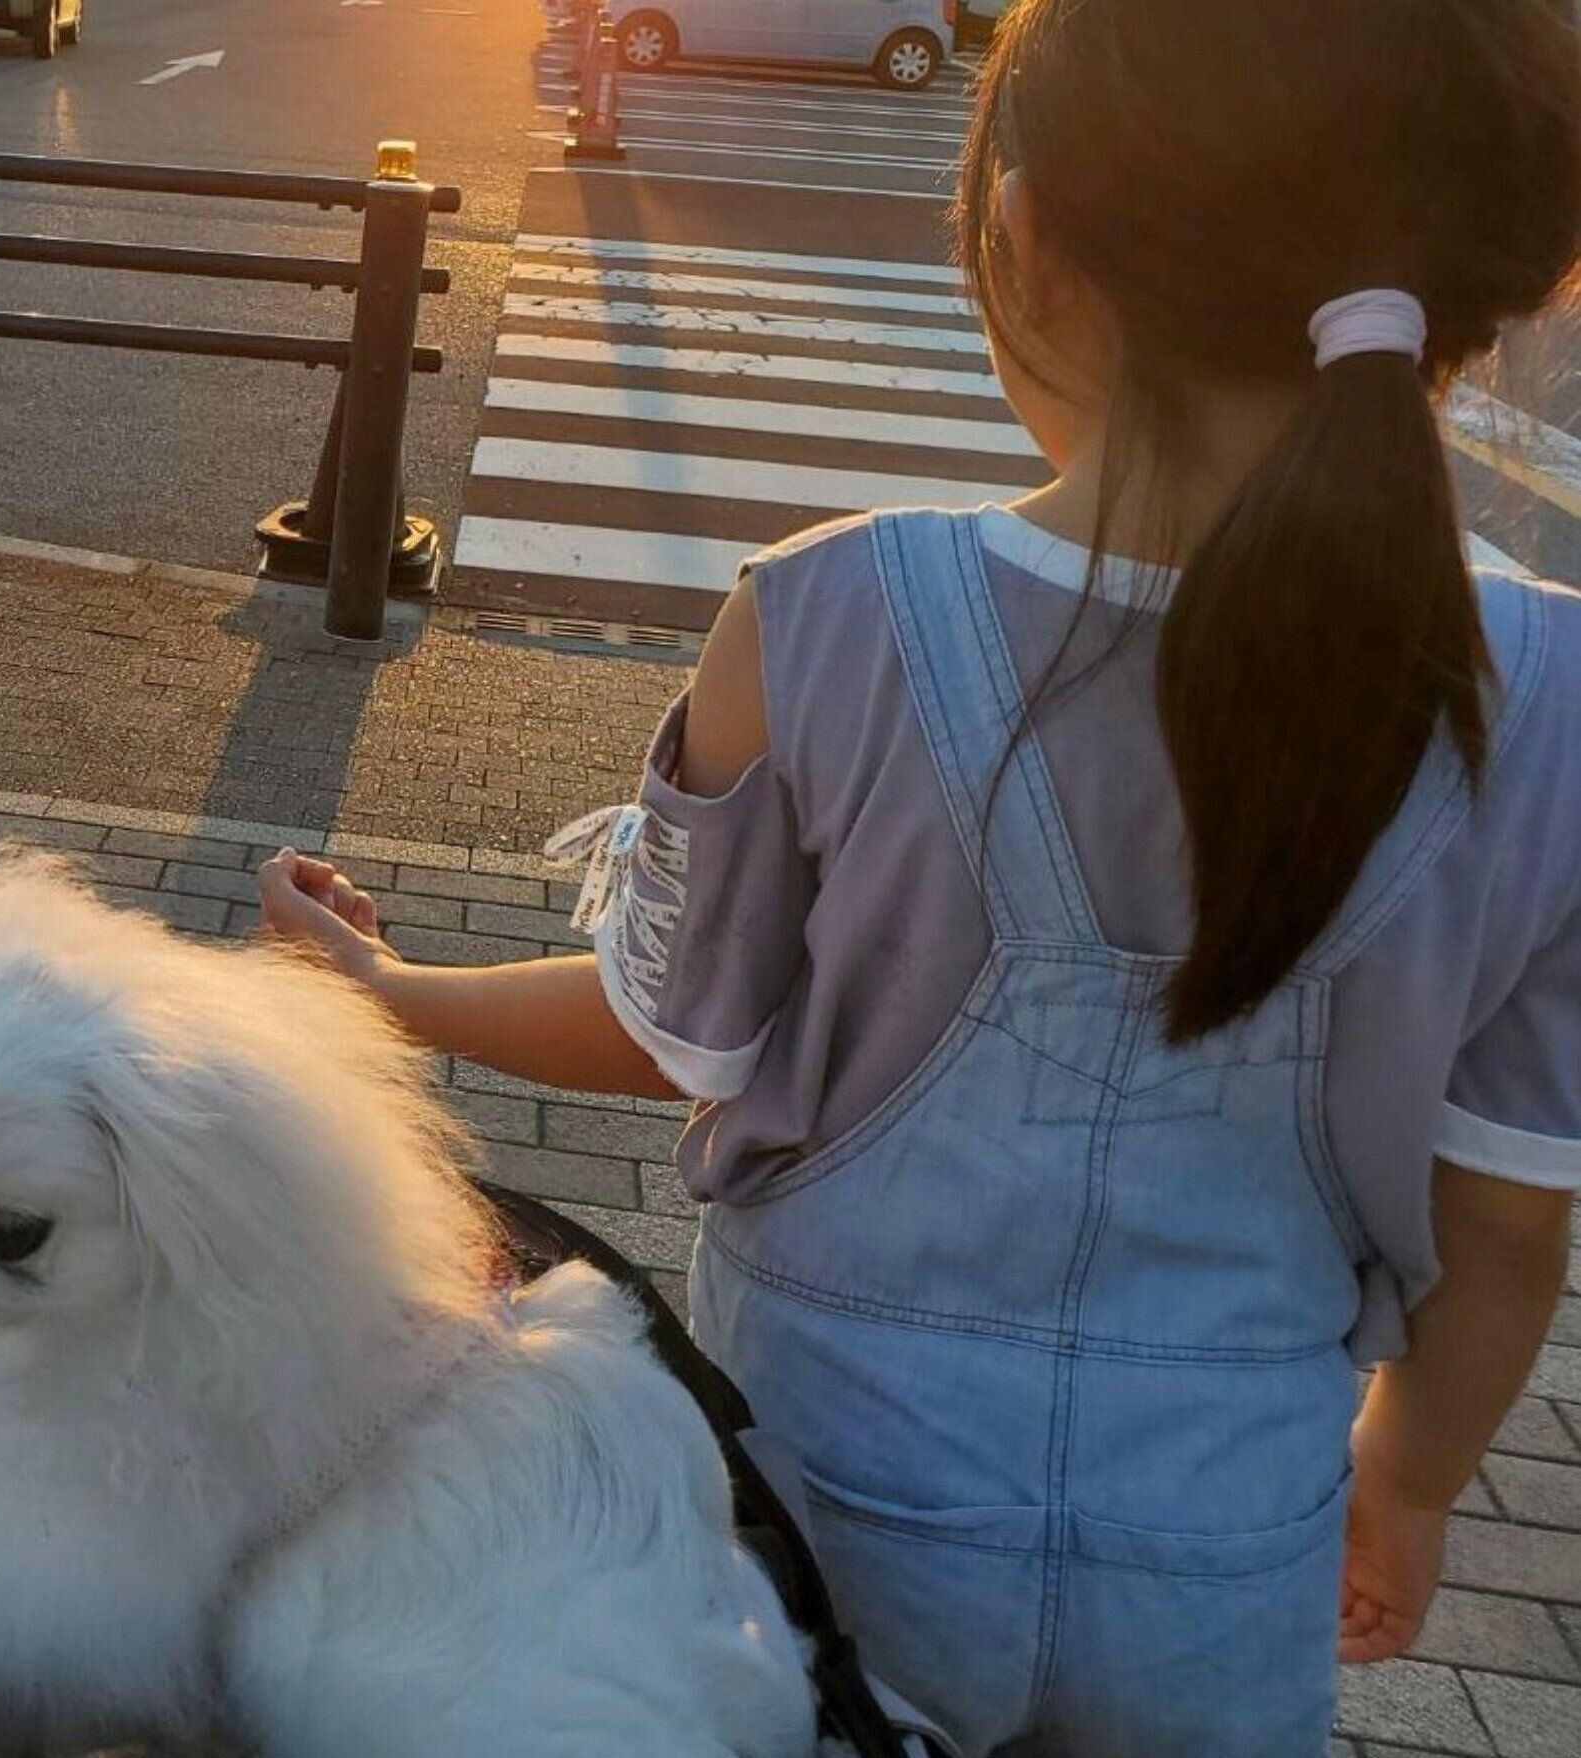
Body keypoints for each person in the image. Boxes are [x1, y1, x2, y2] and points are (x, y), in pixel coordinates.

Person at [262, 1, 1581, 1751]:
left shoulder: (829, 615)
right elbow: (1507, 1220)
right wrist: (1404, 1488)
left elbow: (676, 1036)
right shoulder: (1549, 700)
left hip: (826, 1519)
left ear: (1023, 241)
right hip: (1228, 1548)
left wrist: (389, 990)